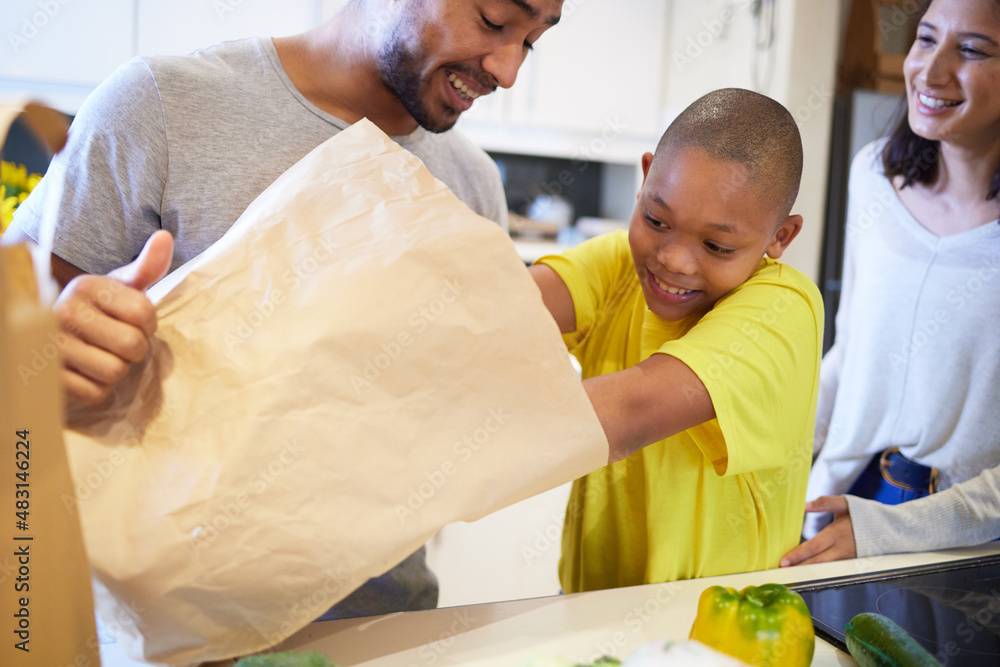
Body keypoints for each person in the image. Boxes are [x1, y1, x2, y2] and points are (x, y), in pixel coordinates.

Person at [3, 0, 564, 619]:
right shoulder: (163, 105)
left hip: (382, 624)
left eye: (533, 42)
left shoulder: (472, 183)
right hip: (166, 633)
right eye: (493, 22)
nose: (509, 71)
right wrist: (47, 342)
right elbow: (14, 332)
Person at [528, 88, 824, 592]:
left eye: (716, 245)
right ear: (645, 179)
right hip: (588, 612)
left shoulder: (784, 309)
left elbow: (628, 413)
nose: (672, 259)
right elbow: (496, 315)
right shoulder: (619, 263)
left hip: (717, 629)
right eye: (656, 220)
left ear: (781, 237)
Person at [781, 0, 1000, 568]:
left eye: (972, 50)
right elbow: (852, 352)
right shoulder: (874, 173)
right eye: (925, 39)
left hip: (961, 543)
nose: (930, 72)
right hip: (838, 505)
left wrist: (893, 529)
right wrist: (776, 450)